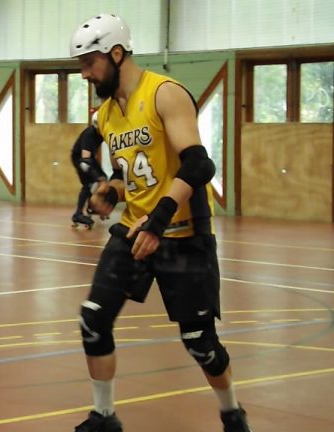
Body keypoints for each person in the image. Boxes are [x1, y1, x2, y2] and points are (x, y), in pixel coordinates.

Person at [69, 13, 251, 432]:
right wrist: (111, 190)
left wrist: (158, 221)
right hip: (134, 231)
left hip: (183, 235)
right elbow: (130, 170)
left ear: (116, 54)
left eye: (90, 63)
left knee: (200, 343)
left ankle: (232, 414)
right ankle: (104, 416)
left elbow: (198, 164)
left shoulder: (164, 94)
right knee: (93, 318)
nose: (85, 74)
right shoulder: (108, 113)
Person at [70, 111, 106, 228]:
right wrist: (97, 176)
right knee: (89, 183)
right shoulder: (89, 134)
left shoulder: (101, 132)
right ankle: (78, 214)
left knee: (102, 178)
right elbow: (85, 160)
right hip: (80, 159)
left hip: (90, 158)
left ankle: (91, 208)